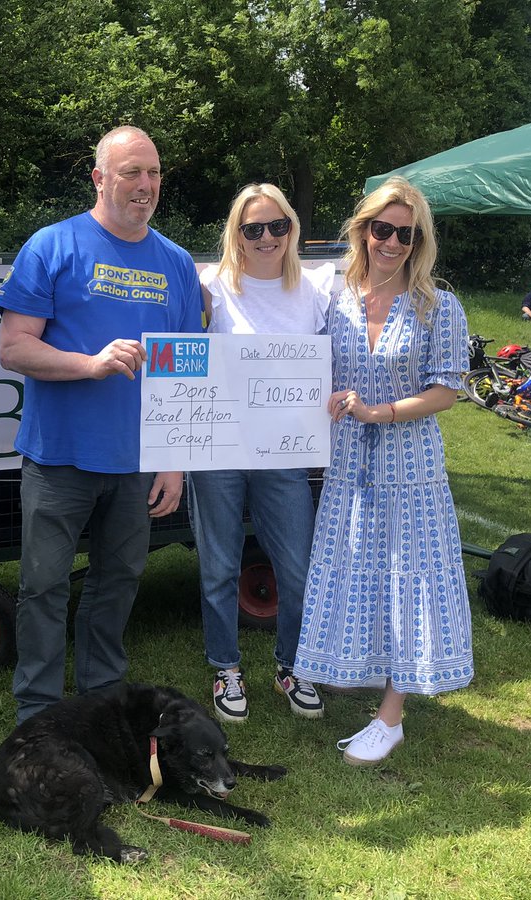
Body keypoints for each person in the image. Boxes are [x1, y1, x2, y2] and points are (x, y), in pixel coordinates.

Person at [0, 125, 204, 724]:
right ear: (99, 178)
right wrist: (91, 364)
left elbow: (184, 370)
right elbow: (13, 349)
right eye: (131, 172)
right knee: (42, 588)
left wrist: (174, 460)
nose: (145, 185)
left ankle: (102, 700)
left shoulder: (176, 263)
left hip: (138, 464)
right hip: (60, 458)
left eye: (154, 173)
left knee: (118, 584)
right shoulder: (51, 247)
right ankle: (37, 712)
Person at [293, 176, 473, 766]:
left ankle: (390, 716)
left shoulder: (437, 305)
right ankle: (370, 683)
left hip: (411, 474)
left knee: (409, 589)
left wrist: (380, 411)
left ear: (419, 241)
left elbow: (448, 391)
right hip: (348, 472)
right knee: (361, 581)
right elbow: (299, 359)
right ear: (363, 229)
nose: (391, 242)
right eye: (382, 228)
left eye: (406, 232)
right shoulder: (334, 298)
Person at [187, 183, 331, 724]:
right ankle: (226, 667)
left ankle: (291, 665)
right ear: (236, 235)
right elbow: (172, 343)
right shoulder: (213, 286)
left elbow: (329, 363)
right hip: (219, 450)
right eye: (253, 229)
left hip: (284, 452)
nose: (267, 237)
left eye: (278, 226)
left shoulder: (314, 289)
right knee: (219, 565)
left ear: (291, 229)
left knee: (298, 566)